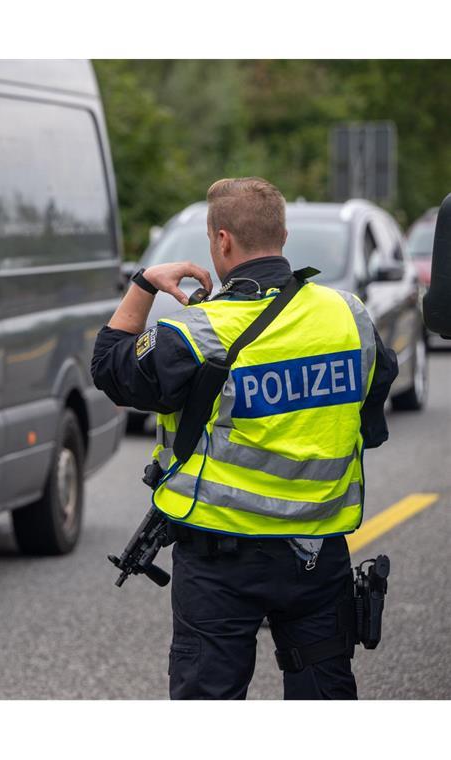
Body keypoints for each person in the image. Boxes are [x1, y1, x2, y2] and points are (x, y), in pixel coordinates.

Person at [90, 177, 398, 700]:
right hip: (317, 550)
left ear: (222, 240)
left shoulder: (196, 332)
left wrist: (143, 283)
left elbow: (109, 366)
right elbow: (370, 418)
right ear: (283, 234)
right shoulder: (351, 316)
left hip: (220, 558)